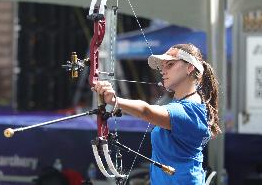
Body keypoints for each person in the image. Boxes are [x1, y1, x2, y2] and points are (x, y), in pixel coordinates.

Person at [93, 43, 222, 185]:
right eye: (163, 66)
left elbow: (145, 111)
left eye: (170, 65)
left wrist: (114, 100)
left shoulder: (191, 110)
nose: (163, 71)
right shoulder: (185, 104)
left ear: (190, 67)